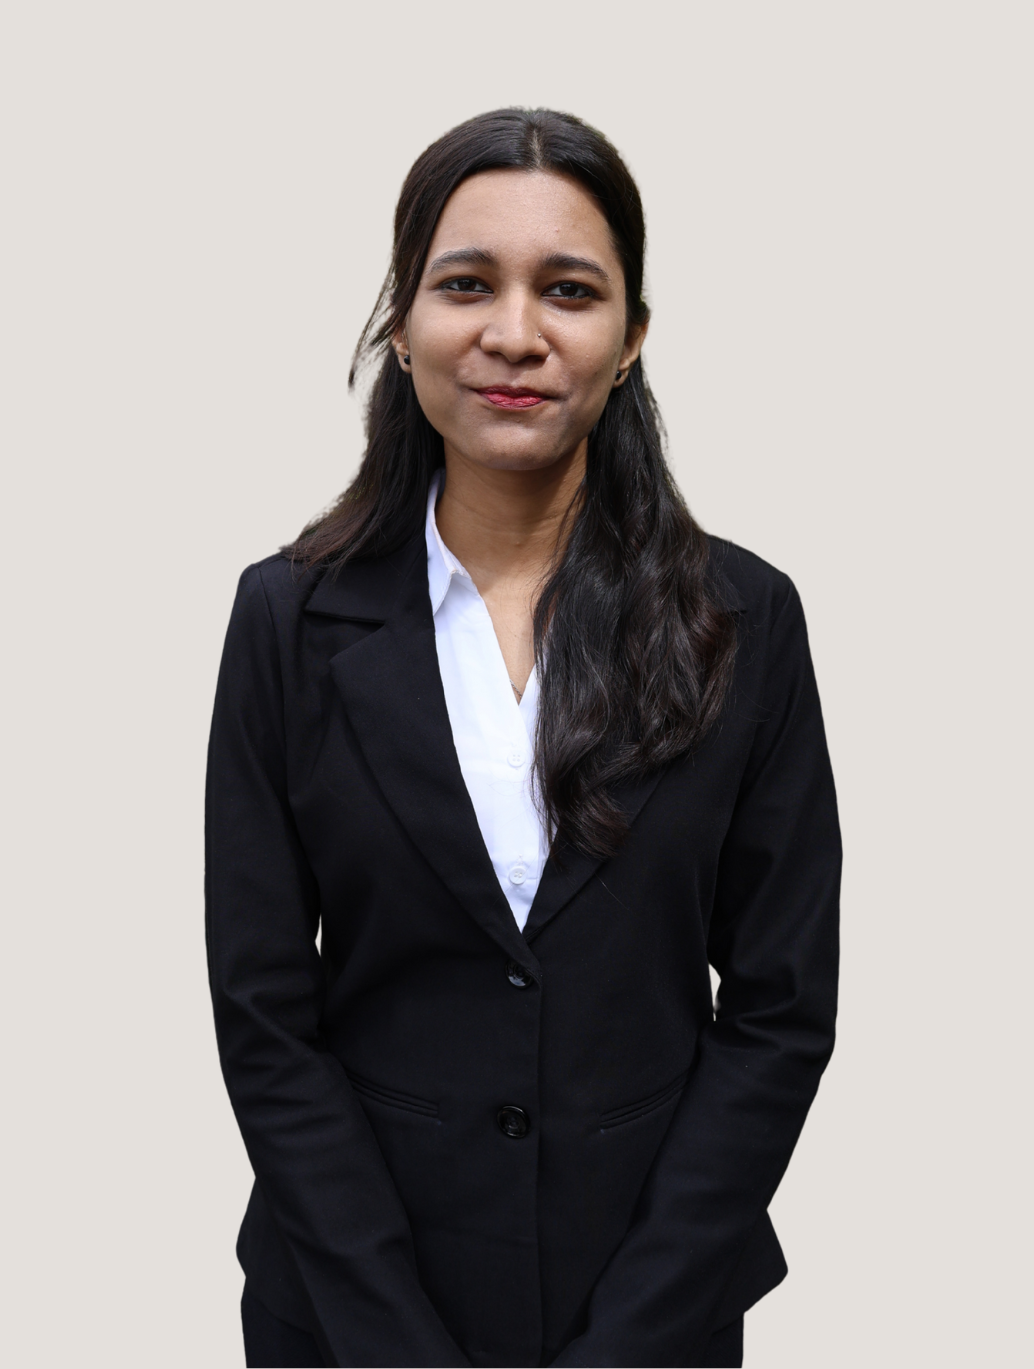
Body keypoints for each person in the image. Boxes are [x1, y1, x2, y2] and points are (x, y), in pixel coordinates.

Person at [205, 107, 841, 1369]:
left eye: (567, 289)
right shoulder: (287, 620)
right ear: (401, 325)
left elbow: (778, 1011)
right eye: (464, 285)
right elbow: (263, 1014)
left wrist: (632, 1340)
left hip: (649, 1311)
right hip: (348, 1314)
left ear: (630, 337)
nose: (514, 333)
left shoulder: (743, 619)